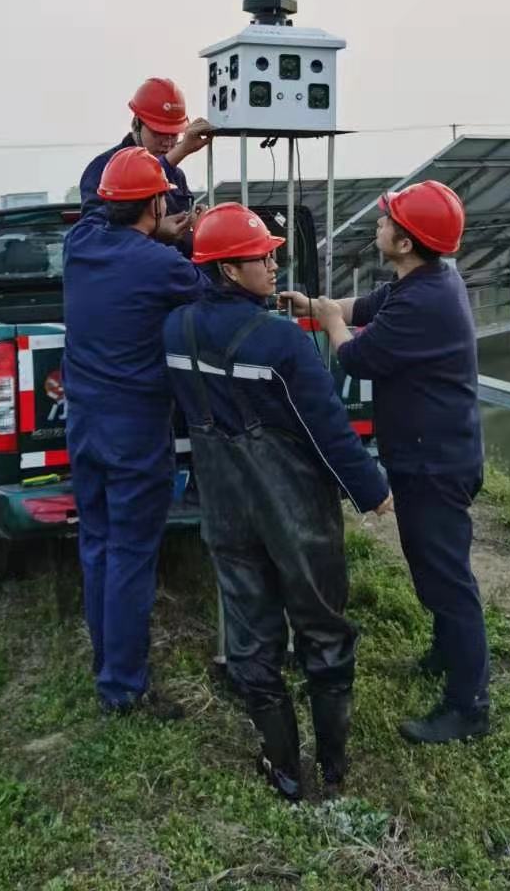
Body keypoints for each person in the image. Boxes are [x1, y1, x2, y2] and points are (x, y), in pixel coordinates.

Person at [164, 203, 392, 801]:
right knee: (322, 626)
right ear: (227, 271)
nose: (272, 262)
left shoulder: (175, 329)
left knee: (249, 632)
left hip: (224, 505)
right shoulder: (280, 342)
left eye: (271, 251)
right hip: (295, 512)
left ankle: (284, 768)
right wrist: (370, 490)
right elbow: (326, 428)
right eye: (260, 256)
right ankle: (334, 764)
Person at [283, 180, 489, 746]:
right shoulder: (422, 279)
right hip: (430, 453)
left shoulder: (425, 301)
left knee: (447, 579)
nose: (378, 224)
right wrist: (318, 305)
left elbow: (357, 356)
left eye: (386, 220)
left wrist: (328, 324)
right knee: (432, 567)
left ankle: (469, 705)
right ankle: (446, 654)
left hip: (436, 463)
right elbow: (364, 309)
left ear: (404, 242)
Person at [63, 146, 208, 717]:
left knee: (96, 544)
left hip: (85, 425)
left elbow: (105, 213)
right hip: (134, 430)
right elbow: (209, 287)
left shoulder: (81, 244)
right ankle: (122, 687)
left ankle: (107, 664)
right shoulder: (159, 265)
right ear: (153, 202)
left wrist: (156, 223)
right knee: (129, 554)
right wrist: (184, 237)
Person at [79, 77, 213, 246]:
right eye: (158, 133)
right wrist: (153, 230)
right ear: (136, 124)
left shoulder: (176, 176)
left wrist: (194, 222)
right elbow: (96, 238)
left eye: (173, 134)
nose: (167, 142)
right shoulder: (102, 168)